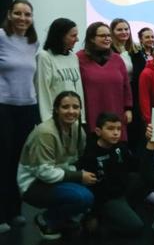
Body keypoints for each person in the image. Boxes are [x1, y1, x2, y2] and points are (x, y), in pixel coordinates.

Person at [18, 91, 94, 240]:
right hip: (34, 183)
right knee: (83, 197)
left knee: (94, 186)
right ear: (56, 109)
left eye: (75, 107)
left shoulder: (77, 129)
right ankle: (46, 220)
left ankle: (63, 218)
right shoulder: (46, 133)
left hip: (58, 176)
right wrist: (78, 176)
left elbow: (77, 159)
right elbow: (44, 172)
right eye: (65, 107)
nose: (71, 111)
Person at [0, 0, 41, 233]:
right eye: (18, 13)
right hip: (3, 106)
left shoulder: (32, 42)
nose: (23, 18)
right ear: (9, 14)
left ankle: (14, 211)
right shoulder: (1, 37)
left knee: (19, 162)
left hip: (27, 107)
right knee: (3, 161)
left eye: (27, 14)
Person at [79, 113, 143, 236]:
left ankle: (124, 210)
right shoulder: (90, 154)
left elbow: (135, 166)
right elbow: (91, 188)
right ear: (98, 131)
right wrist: (93, 213)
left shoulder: (120, 147)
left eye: (118, 129)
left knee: (143, 178)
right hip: (105, 199)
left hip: (121, 192)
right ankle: (103, 220)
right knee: (136, 227)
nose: (116, 133)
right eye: (110, 129)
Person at [77, 22, 132, 139]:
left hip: (115, 111)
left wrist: (128, 109)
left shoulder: (117, 59)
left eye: (109, 36)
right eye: (103, 36)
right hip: (91, 113)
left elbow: (126, 86)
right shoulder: (79, 58)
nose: (107, 39)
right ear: (91, 38)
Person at [36, 18, 84, 122]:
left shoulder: (73, 57)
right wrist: (48, 120)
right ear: (61, 37)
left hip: (73, 118)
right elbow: (43, 90)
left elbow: (78, 89)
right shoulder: (44, 57)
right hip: (55, 120)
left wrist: (81, 118)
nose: (77, 39)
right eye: (73, 36)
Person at [129, 27, 154, 152]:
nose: (150, 39)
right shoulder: (135, 55)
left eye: (152, 37)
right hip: (139, 95)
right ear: (140, 39)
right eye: (147, 37)